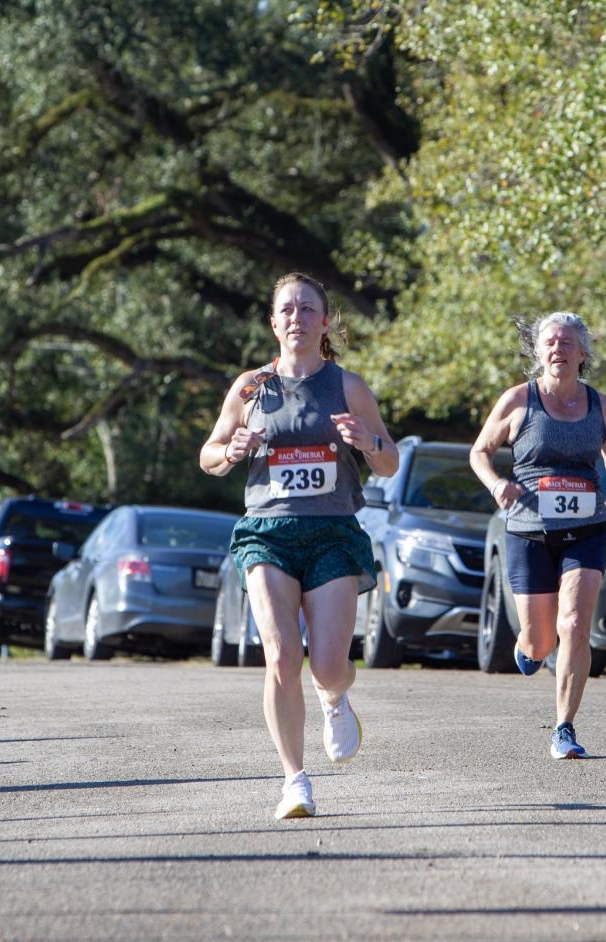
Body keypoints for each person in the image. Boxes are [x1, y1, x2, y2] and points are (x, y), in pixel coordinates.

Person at [200, 272, 398, 819]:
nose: (296, 318)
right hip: (267, 531)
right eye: (286, 309)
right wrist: (232, 449)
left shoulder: (348, 386)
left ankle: (334, 696)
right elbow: (209, 455)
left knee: (328, 664)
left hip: (332, 533)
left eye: (308, 309)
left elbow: (389, 460)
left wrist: (367, 441)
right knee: (282, 655)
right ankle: (294, 779)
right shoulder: (249, 387)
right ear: (273, 321)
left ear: (324, 320)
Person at [469, 311, 606, 759]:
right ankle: (530, 647)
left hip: (587, 527)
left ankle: (564, 727)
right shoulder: (518, 400)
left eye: (567, 343)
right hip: (528, 529)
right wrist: (496, 483)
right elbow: (480, 452)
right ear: (538, 350)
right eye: (550, 342)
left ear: (583, 353)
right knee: (541, 640)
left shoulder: (603, 407)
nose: (558, 349)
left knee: (575, 624)